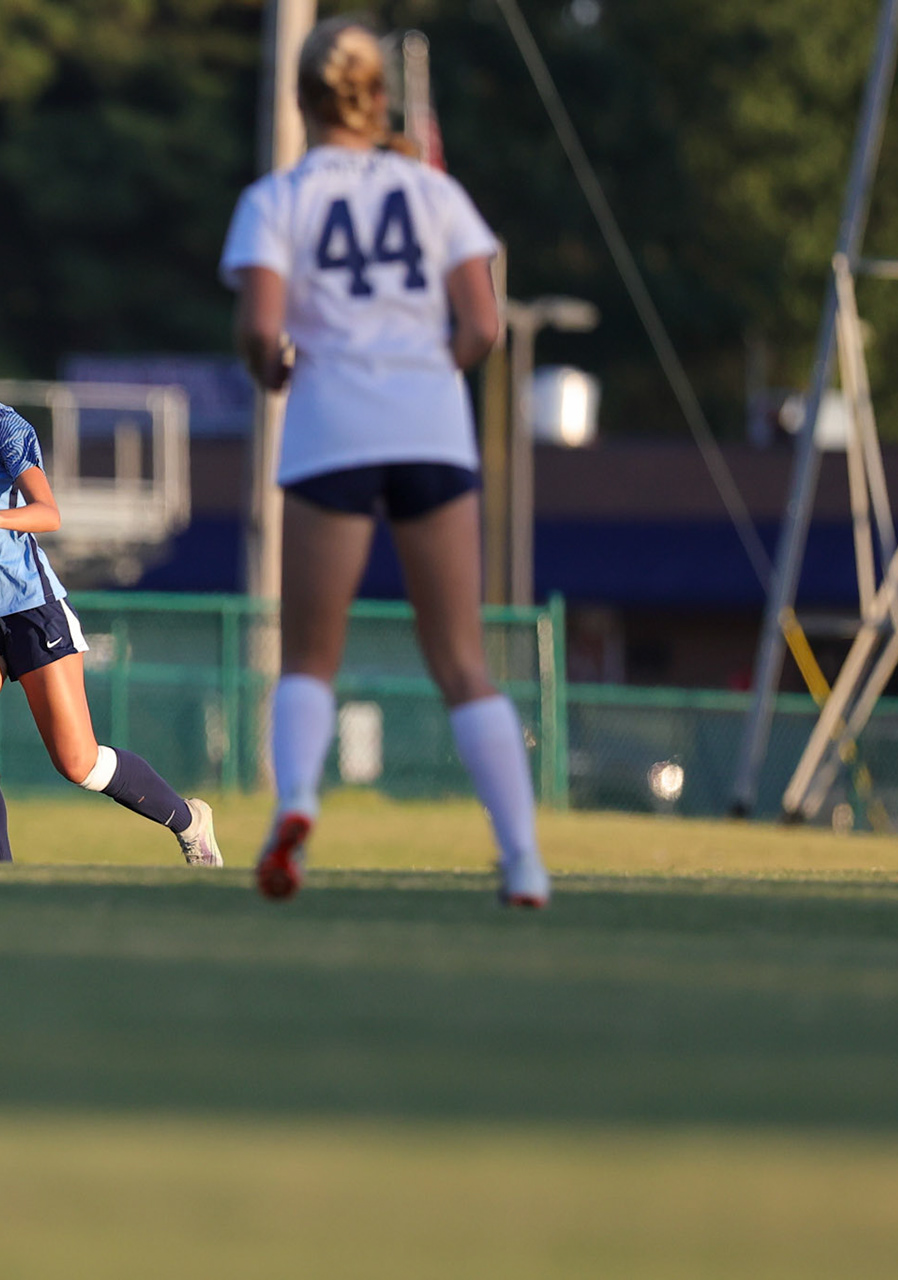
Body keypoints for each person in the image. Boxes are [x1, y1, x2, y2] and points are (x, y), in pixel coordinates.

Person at [220, 18, 550, 907]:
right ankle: (522, 858)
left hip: (332, 425)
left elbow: (260, 329)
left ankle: (295, 803)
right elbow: (481, 325)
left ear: (300, 99)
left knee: (309, 658)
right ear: (379, 98)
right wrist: (420, 379)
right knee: (461, 659)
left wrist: (277, 367)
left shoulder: (276, 198)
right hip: (432, 425)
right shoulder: (433, 190)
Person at [0, 314, 222, 868]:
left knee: (77, 761)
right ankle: (0, 878)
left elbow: (48, 513)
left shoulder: (2, 427)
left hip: (29, 607)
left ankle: (189, 820)